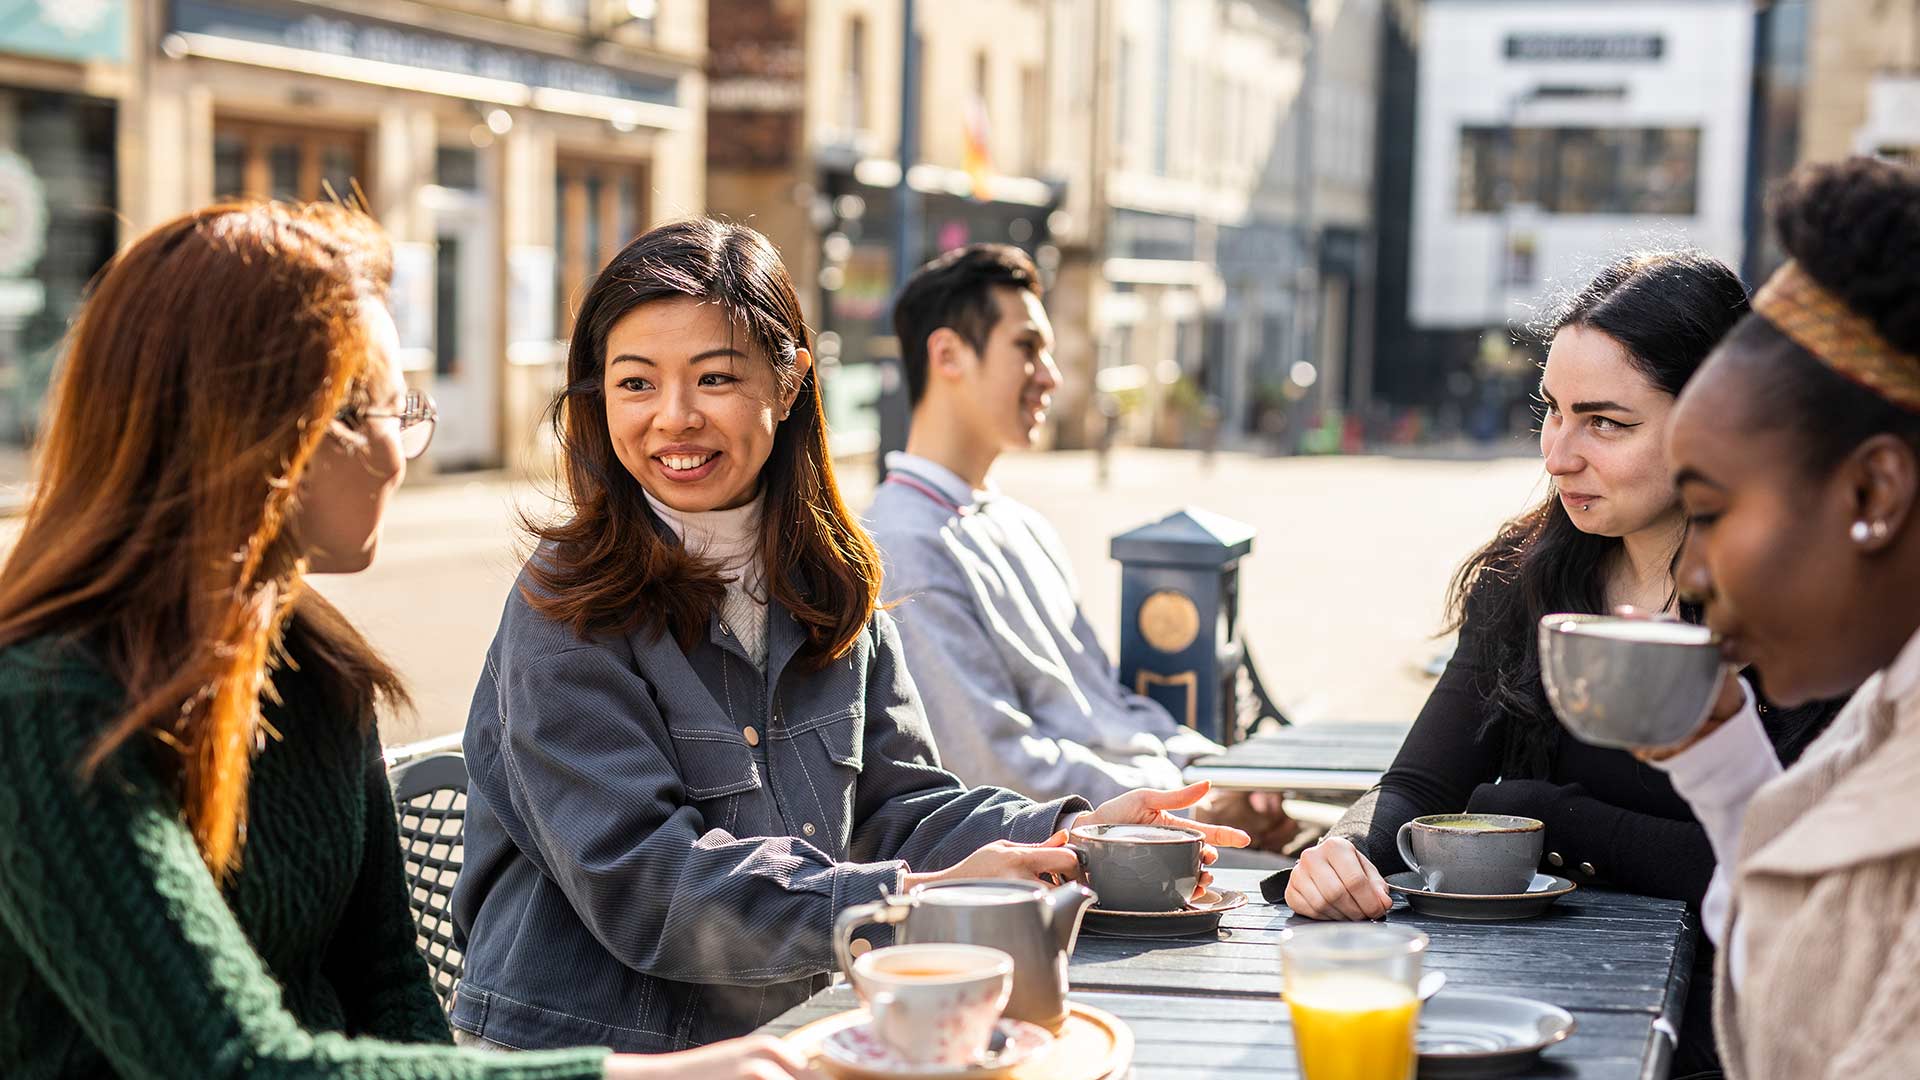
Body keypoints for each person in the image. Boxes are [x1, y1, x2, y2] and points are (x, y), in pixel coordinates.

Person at [0, 202, 817, 1078]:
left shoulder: (315, 670)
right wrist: (633, 1076)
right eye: (377, 410)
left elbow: (393, 992)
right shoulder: (48, 704)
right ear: (245, 426)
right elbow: (232, 1063)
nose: (402, 454)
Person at [450, 220, 1249, 1054]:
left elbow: (898, 803)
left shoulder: (831, 578)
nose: (673, 419)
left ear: (790, 381)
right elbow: (650, 883)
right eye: (635, 384)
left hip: (790, 1034)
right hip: (582, 1053)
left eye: (714, 378)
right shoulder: (565, 600)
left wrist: (1073, 834)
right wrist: (912, 900)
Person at [1287, 249, 1843, 922]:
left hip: (1741, 1002)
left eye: (1605, 422)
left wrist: (1546, 817)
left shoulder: (1825, 613)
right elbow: (1419, 785)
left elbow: (1800, 870)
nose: (1557, 454)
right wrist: (1345, 850)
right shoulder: (1520, 577)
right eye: (1553, 409)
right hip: (1552, 980)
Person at [863, 244, 1294, 851]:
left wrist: (1223, 774)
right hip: (1075, 853)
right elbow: (993, 764)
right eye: (1027, 347)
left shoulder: (1021, 523)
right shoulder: (903, 544)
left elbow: (1106, 703)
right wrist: (1189, 796)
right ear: (947, 354)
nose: (1051, 375)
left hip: (1144, 813)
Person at [1648, 156, 1920, 1079]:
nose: (1690, 570)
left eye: (1712, 511)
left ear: (1874, 489)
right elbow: (1803, 963)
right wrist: (1719, 756)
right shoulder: (1893, 702)